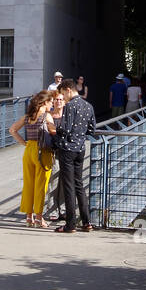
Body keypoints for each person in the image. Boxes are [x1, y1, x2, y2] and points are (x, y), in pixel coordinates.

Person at [53, 80, 96, 233]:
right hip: (81, 149)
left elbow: (65, 129)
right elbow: (92, 129)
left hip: (68, 149)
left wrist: (55, 131)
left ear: (68, 90)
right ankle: (86, 222)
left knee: (68, 187)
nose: (63, 97)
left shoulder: (70, 106)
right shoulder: (88, 106)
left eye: (63, 94)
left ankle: (70, 224)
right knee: (79, 185)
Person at [9, 90, 56, 228]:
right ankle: (39, 218)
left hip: (29, 150)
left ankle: (28, 217)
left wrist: (25, 143)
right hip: (43, 152)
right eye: (51, 102)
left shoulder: (28, 117)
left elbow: (12, 130)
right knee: (41, 186)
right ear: (44, 103)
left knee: (29, 184)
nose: (52, 105)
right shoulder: (47, 116)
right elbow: (54, 132)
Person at [43, 89, 66, 221]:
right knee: (54, 181)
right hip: (54, 151)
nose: (58, 102)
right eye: (56, 99)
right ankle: (52, 209)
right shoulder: (49, 115)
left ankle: (62, 209)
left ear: (64, 102)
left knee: (64, 182)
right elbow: (51, 131)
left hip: (66, 151)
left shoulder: (68, 115)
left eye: (61, 100)